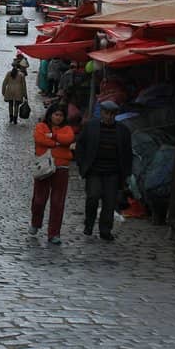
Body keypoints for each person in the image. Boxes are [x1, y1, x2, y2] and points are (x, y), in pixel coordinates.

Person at [75, 100, 133, 241]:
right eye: (107, 113)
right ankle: (89, 223)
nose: (109, 116)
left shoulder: (123, 131)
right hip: (94, 170)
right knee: (93, 197)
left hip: (113, 172)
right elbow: (80, 145)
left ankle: (105, 230)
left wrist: (126, 173)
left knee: (109, 202)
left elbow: (127, 152)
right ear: (101, 113)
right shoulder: (91, 127)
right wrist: (82, 165)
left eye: (112, 114)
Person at [31, 105, 76, 244]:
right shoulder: (41, 126)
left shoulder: (67, 129)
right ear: (50, 115)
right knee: (39, 199)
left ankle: (54, 233)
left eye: (61, 115)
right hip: (44, 167)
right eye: (56, 114)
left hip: (61, 168)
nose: (58, 117)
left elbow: (69, 139)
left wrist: (53, 137)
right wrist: (57, 143)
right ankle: (35, 223)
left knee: (58, 202)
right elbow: (39, 139)